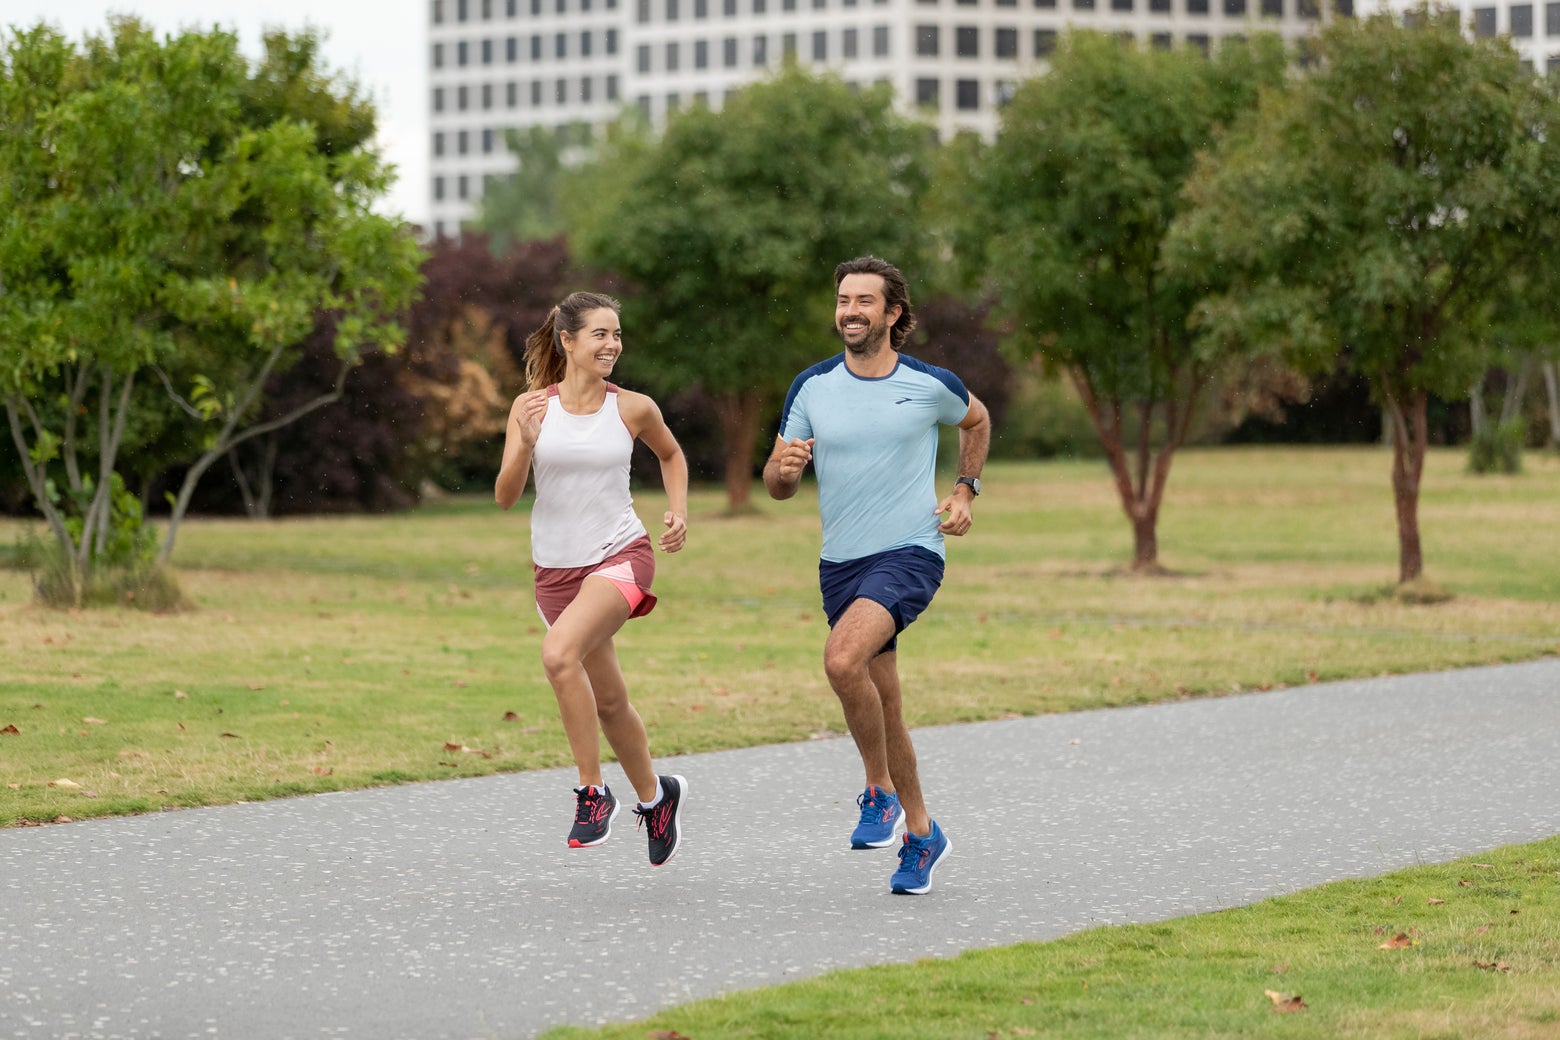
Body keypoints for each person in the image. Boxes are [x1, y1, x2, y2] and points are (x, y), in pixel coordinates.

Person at [763, 256, 990, 895]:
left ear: (892, 313)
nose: (850, 311)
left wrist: (966, 488)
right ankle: (922, 833)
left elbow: (977, 419)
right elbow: (778, 483)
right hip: (840, 564)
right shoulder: (811, 387)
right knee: (883, 702)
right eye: (843, 300)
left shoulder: (928, 383)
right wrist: (782, 470)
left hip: (910, 552)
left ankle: (879, 791)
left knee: (841, 662)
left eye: (865, 301)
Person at [495, 291, 690, 867]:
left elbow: (672, 456)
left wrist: (678, 510)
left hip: (620, 553)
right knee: (608, 700)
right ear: (569, 341)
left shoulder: (633, 408)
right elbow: (506, 497)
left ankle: (591, 791)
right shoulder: (530, 408)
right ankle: (657, 798)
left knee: (558, 656)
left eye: (616, 334)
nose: (612, 345)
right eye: (600, 334)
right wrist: (524, 448)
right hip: (555, 573)